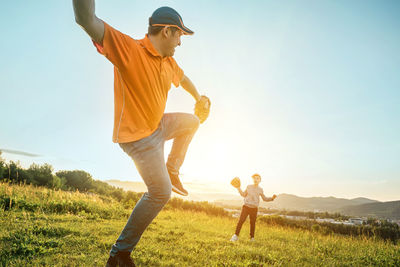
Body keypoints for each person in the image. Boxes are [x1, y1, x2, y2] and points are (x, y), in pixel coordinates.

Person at [72, 1, 210, 266]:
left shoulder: (169, 62)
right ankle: (119, 254)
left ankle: (172, 168)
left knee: (193, 122)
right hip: (138, 138)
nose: (181, 42)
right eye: (180, 34)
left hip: (158, 125)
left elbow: (184, 79)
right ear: (167, 31)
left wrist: (199, 97)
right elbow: (86, 20)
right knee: (160, 193)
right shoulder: (129, 49)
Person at [230, 174, 276, 242]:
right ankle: (235, 236)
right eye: (254, 178)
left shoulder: (260, 189)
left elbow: (264, 198)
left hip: (254, 208)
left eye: (257, 178)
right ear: (253, 179)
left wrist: (272, 198)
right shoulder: (249, 187)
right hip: (246, 207)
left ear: (260, 180)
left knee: (252, 223)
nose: (256, 179)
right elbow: (243, 194)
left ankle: (252, 238)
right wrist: (238, 188)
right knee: (241, 221)